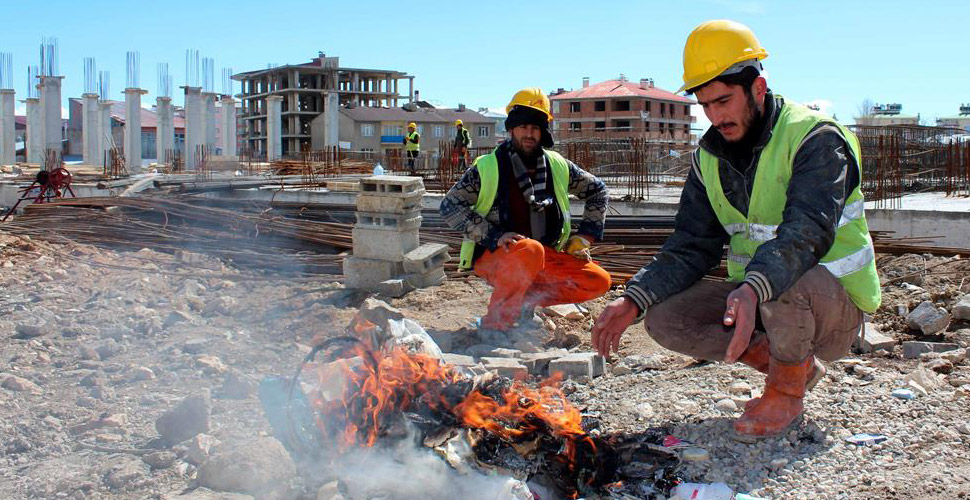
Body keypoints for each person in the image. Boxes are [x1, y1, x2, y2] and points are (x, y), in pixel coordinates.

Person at [592, 19, 881, 439]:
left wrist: (751, 288)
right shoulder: (708, 158)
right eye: (705, 105)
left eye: (724, 101)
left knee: (781, 274)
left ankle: (785, 391)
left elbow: (806, 233)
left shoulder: (814, 138)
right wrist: (634, 298)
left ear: (758, 89)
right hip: (762, 303)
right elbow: (691, 246)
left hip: (831, 309)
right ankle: (793, 364)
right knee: (666, 318)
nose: (715, 116)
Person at [440, 88, 612, 332]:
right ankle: (495, 326)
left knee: (597, 281)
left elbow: (598, 191)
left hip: (543, 256)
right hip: (496, 256)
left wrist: (585, 236)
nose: (529, 133)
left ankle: (523, 303)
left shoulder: (557, 166)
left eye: (535, 127)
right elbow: (449, 205)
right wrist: (494, 235)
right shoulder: (489, 167)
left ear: (543, 132)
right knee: (529, 250)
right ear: (511, 129)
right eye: (523, 127)